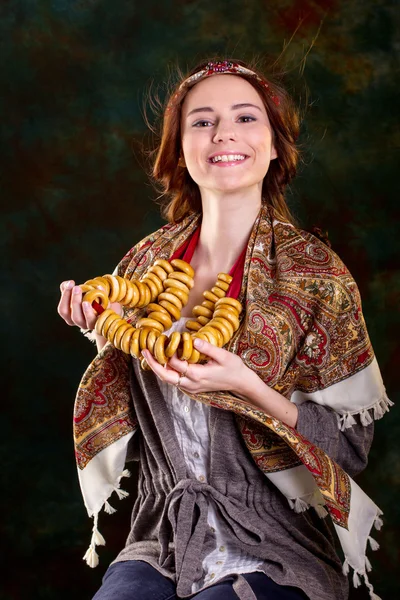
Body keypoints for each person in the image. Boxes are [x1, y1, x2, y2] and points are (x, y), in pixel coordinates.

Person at [57, 59, 391, 600]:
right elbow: (142, 417)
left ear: (276, 146)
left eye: (245, 117)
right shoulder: (142, 265)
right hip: (162, 536)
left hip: (278, 543)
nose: (224, 133)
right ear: (182, 150)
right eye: (203, 121)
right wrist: (102, 332)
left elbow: (350, 450)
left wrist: (249, 388)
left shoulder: (317, 275)